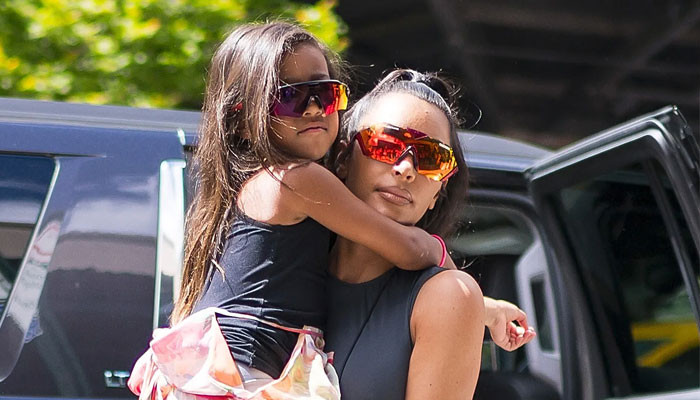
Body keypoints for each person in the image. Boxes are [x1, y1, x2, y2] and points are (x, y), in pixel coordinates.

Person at [130, 22, 457, 400]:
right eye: (290, 97)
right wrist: (456, 280)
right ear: (242, 121)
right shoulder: (298, 180)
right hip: (239, 380)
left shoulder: (257, 185)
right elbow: (409, 249)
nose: (314, 107)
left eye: (325, 93)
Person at [324, 69, 536, 400]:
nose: (406, 169)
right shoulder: (282, 254)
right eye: (386, 144)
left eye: (431, 158)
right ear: (343, 158)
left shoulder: (449, 296)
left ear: (438, 192)